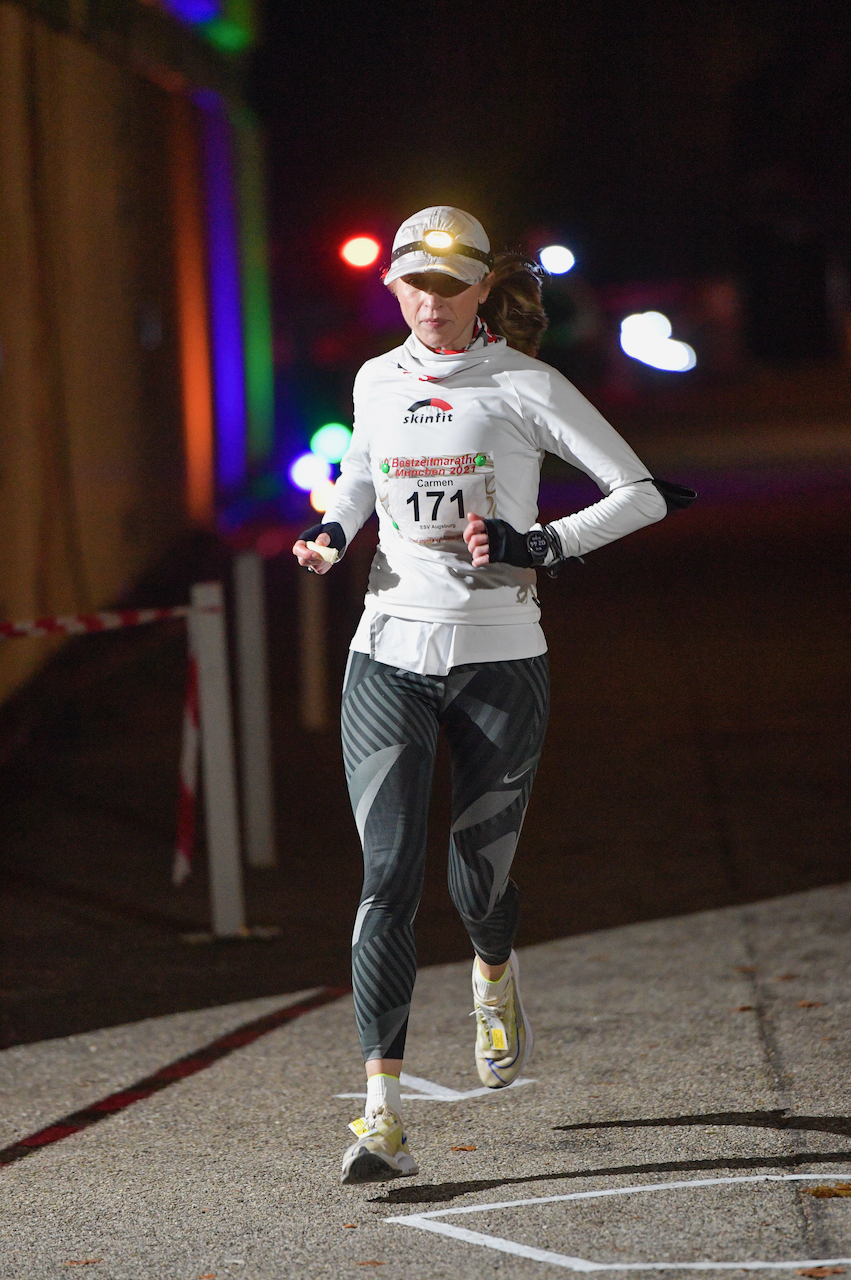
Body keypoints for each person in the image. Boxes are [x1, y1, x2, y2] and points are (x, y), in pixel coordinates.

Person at [293, 205, 680, 1186]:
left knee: (478, 885)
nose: (430, 300)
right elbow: (361, 477)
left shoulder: (523, 383)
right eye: (412, 283)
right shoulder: (376, 378)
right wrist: (334, 531)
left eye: (448, 284)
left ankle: (494, 973)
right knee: (386, 876)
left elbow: (644, 491)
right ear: (393, 290)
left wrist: (536, 542)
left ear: (478, 291)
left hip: (499, 659)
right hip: (385, 653)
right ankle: (380, 1116)